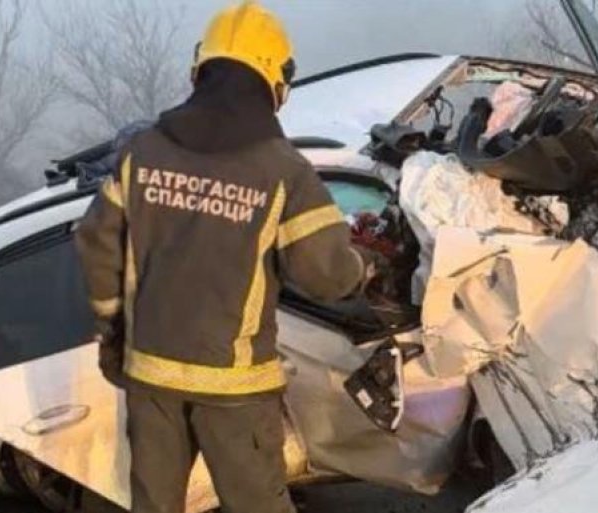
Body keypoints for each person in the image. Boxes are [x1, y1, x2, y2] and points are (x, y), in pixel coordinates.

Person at [74, 2, 378, 512]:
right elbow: (325, 276)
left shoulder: (144, 151)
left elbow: (96, 244)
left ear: (202, 70)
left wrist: (112, 332)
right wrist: (365, 266)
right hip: (235, 390)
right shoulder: (284, 171)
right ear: (274, 81)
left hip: (150, 378)